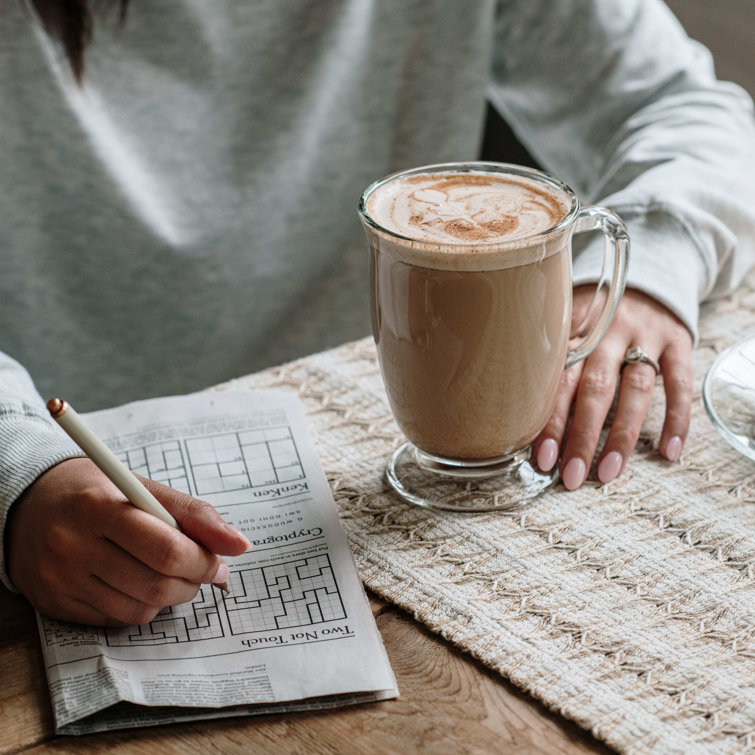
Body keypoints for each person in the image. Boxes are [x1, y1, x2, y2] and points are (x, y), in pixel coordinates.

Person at [2, 0, 754, 625]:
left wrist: (648, 264)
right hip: (84, 488)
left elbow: (683, 106)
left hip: (392, 527)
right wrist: (19, 477)